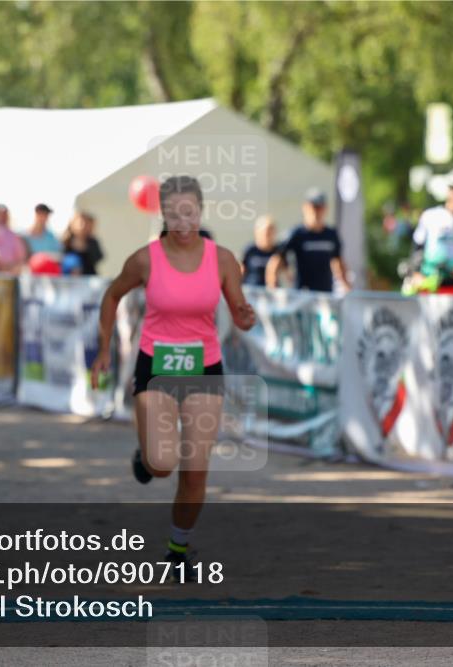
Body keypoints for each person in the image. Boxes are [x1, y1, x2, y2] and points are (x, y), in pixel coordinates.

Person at [89, 175, 255, 568]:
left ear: (200, 210)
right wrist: (103, 350)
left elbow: (240, 313)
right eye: (174, 214)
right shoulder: (146, 258)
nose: (182, 222)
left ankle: (178, 550)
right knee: (162, 464)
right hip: (156, 365)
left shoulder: (224, 259)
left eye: (189, 212)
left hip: (204, 367)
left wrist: (247, 317)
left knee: (196, 469)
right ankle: (145, 459)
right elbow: (111, 295)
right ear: (163, 214)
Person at [265, 187, 351, 292]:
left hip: (325, 293)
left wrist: (346, 285)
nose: (316, 212)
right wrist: (272, 287)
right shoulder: (296, 234)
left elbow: (338, 261)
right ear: (305, 208)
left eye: (320, 207)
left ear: (325, 209)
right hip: (302, 293)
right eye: (313, 207)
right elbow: (276, 260)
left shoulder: (331, 235)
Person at [61, 211, 103, 276]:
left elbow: (98, 257)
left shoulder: (92, 241)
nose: (83, 226)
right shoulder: (67, 240)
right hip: (69, 277)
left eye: (86, 223)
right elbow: (61, 257)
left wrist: (86, 248)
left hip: (88, 275)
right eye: (81, 223)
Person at [239, 215, 278, 286]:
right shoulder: (250, 249)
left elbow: (287, 273)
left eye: (271, 232)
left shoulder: (278, 251)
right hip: (251, 289)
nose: (268, 236)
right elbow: (241, 270)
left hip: (271, 291)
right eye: (266, 233)